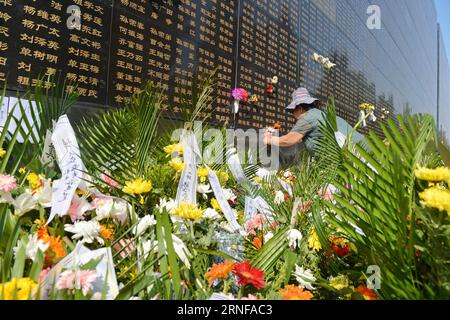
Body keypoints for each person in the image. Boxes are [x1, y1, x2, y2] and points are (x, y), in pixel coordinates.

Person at [263, 87, 367, 157]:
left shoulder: (308, 117)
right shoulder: (321, 115)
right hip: (364, 154)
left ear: (300, 108)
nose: (293, 115)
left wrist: (269, 139)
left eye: (292, 111)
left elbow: (289, 140)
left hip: (357, 157)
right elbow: (309, 137)